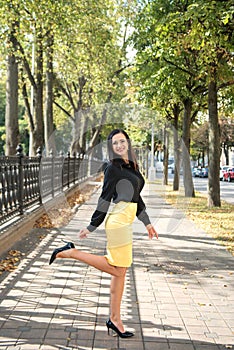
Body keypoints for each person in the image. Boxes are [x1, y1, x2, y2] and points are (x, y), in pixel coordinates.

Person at [49, 129, 158, 338]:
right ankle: (72, 253)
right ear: (111, 147)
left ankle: (115, 320)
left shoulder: (132, 167)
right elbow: (104, 198)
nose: (119, 145)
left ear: (128, 143)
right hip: (117, 222)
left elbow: (137, 199)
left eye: (122, 141)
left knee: (121, 272)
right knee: (118, 270)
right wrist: (92, 226)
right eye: (114, 143)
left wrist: (147, 223)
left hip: (126, 221)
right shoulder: (112, 168)